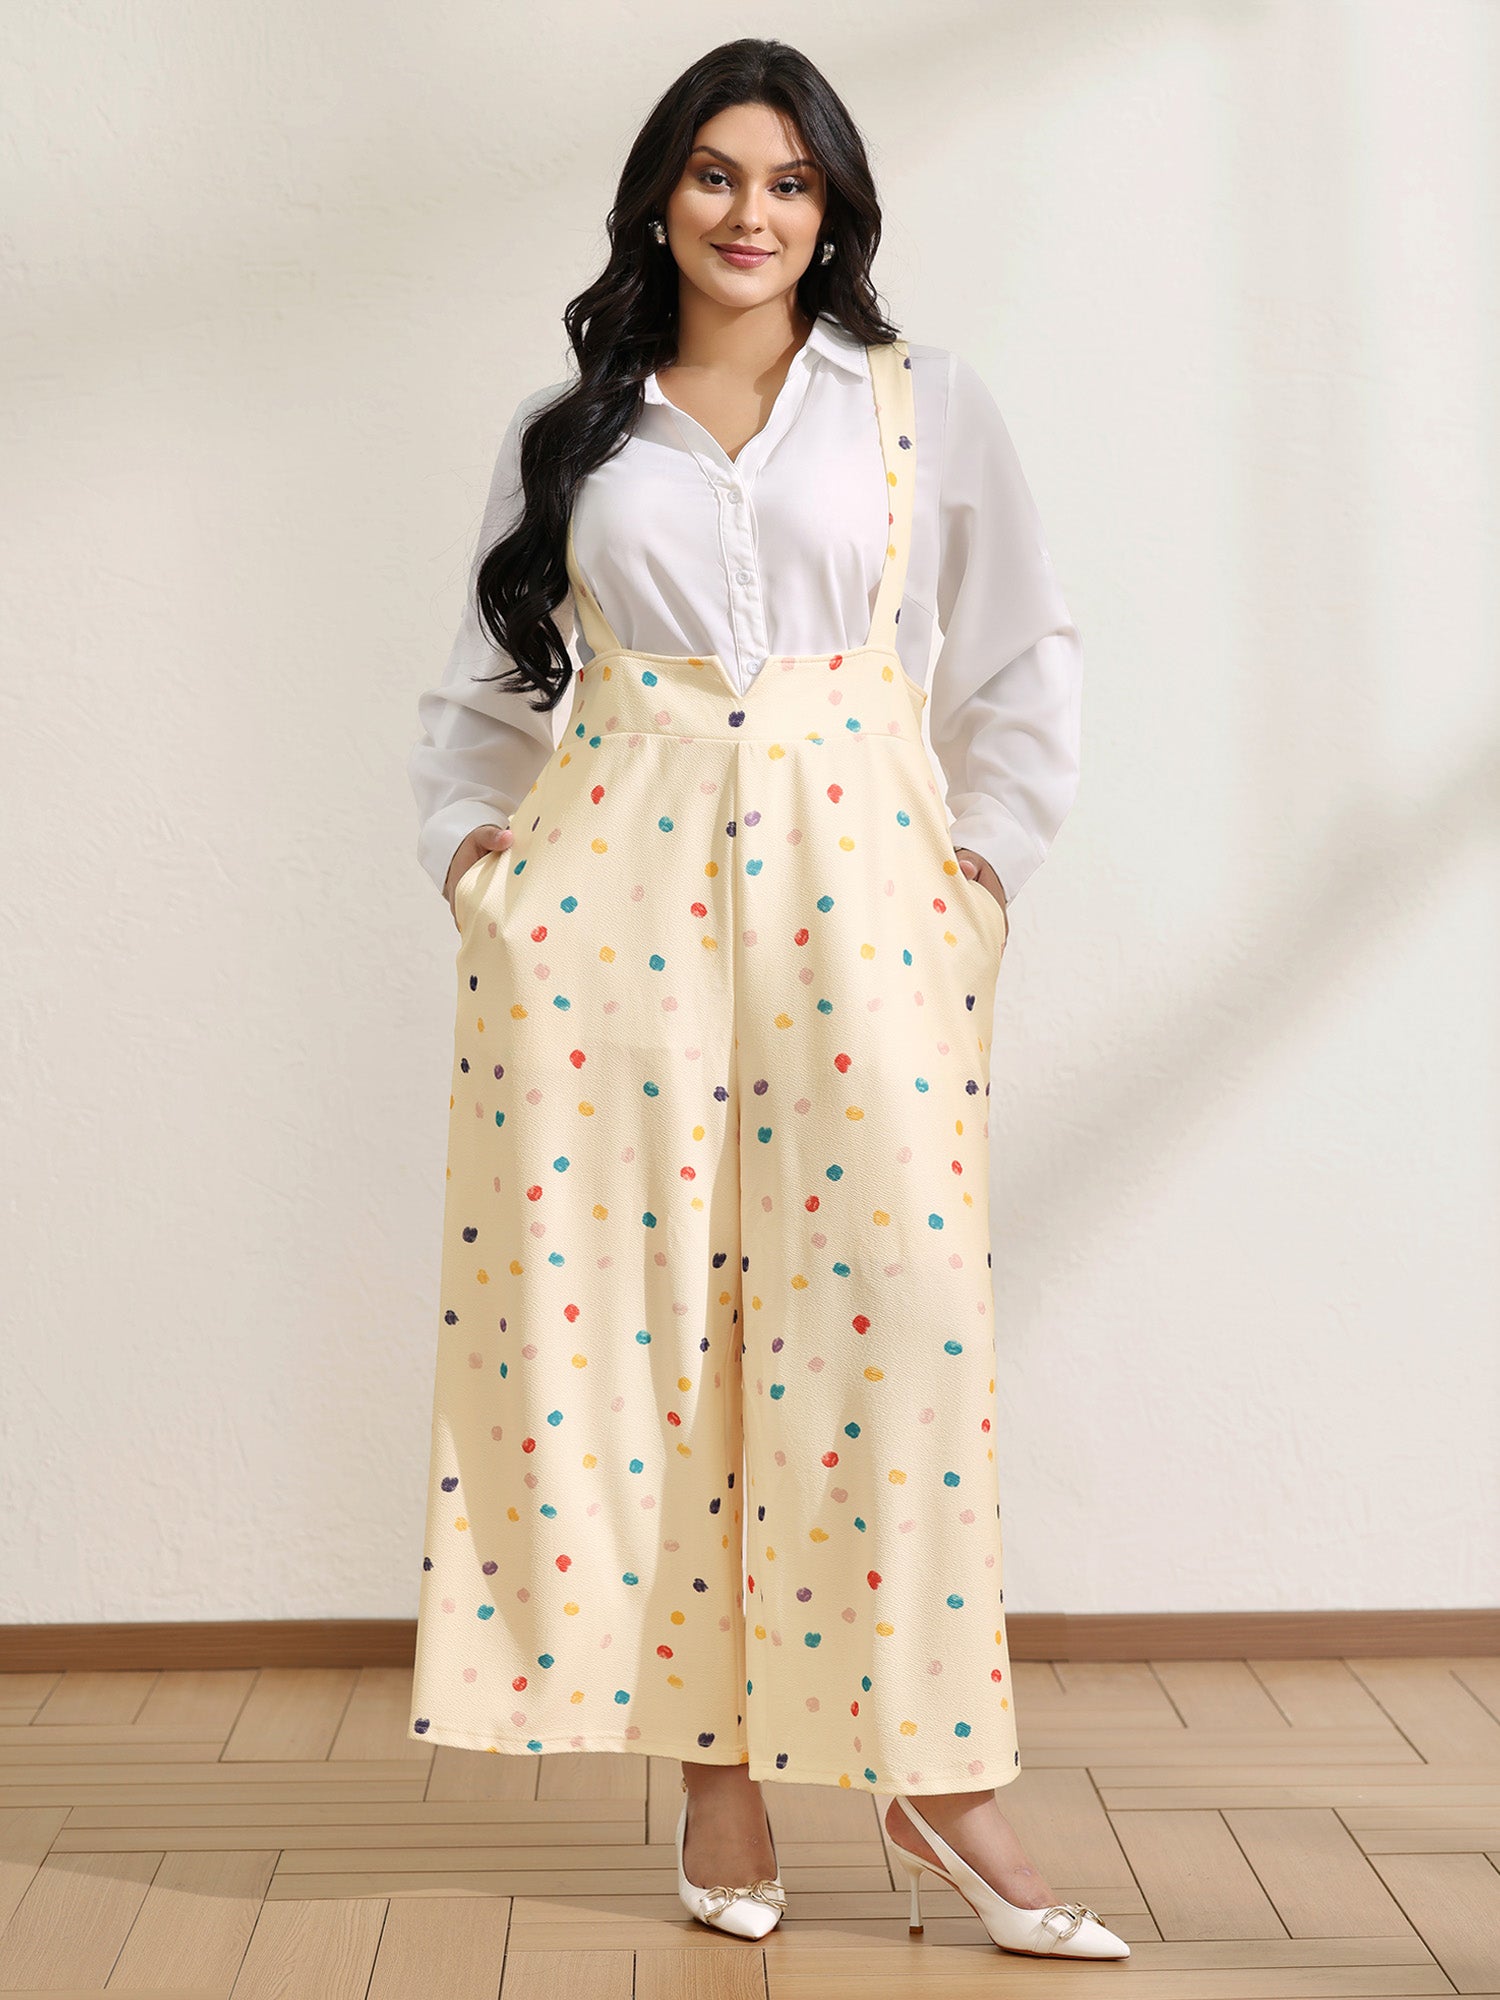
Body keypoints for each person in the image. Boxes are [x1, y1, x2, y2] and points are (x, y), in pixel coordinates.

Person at [405, 38, 1125, 1964]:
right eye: (718, 174)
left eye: (791, 182)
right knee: (651, 1332)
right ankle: (714, 1771)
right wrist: (482, 875)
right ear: (662, 196)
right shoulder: (575, 432)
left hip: (861, 891)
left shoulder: (920, 405)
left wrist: (979, 877)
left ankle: (935, 1767)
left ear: (834, 210)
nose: (752, 213)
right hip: (609, 906)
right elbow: (478, 701)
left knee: (900, 1324)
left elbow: (1022, 657)